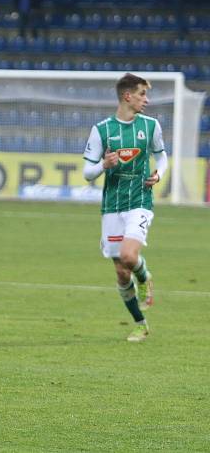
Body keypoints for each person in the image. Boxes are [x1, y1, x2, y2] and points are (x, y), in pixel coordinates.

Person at [82, 73, 168, 343]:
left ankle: (145, 278)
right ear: (127, 96)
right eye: (142, 94)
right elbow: (87, 173)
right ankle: (140, 324)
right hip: (112, 204)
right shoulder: (102, 130)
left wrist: (159, 174)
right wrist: (104, 166)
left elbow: (161, 155)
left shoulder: (151, 126)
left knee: (130, 257)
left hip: (139, 200)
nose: (147, 99)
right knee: (121, 272)